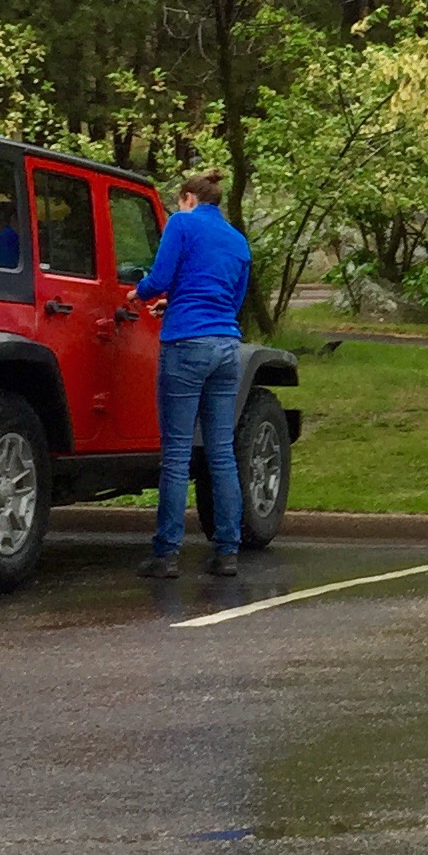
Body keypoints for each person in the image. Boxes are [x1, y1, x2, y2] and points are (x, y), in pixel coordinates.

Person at [132, 167, 254, 580]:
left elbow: (160, 278)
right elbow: (231, 299)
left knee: (177, 454)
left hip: (185, 344)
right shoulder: (237, 240)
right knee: (221, 452)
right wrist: (179, 302)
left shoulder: (181, 225)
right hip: (226, 346)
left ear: (188, 199)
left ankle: (166, 553)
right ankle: (227, 551)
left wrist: (139, 293)